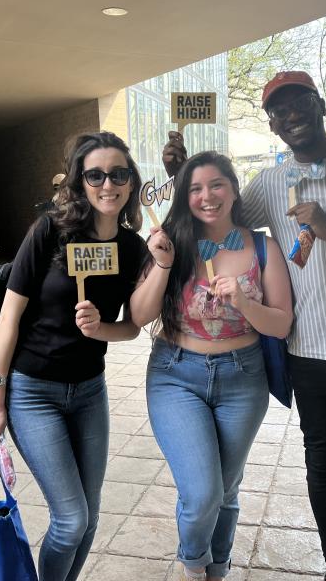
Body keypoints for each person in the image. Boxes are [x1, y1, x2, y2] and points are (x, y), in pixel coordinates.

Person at [162, 71, 326, 581]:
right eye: (278, 111)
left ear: (320, 104)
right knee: (320, 466)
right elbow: (212, 212)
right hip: (307, 353)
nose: (290, 117)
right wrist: (182, 176)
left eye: (298, 104)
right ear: (272, 124)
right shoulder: (270, 181)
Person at [0, 131, 147, 581]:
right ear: (80, 181)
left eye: (118, 173)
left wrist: (100, 327)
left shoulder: (132, 248)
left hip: (91, 392)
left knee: (88, 519)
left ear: (131, 182)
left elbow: (133, 325)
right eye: (95, 174)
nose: (107, 184)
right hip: (33, 393)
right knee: (70, 519)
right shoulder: (51, 231)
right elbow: (9, 318)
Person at [130, 151, 294, 581]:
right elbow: (139, 315)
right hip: (175, 375)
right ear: (185, 196)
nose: (207, 196)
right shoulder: (171, 243)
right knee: (203, 492)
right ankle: (194, 565)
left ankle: (218, 570)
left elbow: (280, 323)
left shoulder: (262, 246)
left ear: (234, 190)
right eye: (196, 188)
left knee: (226, 489)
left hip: (243, 378)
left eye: (216, 184)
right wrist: (163, 263)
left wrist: (243, 301)